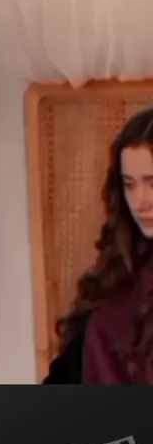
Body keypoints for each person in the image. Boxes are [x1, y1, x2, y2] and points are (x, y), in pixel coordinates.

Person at [44, 105, 153, 384]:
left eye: (151, 182)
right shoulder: (120, 269)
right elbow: (63, 378)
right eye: (130, 184)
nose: (140, 201)